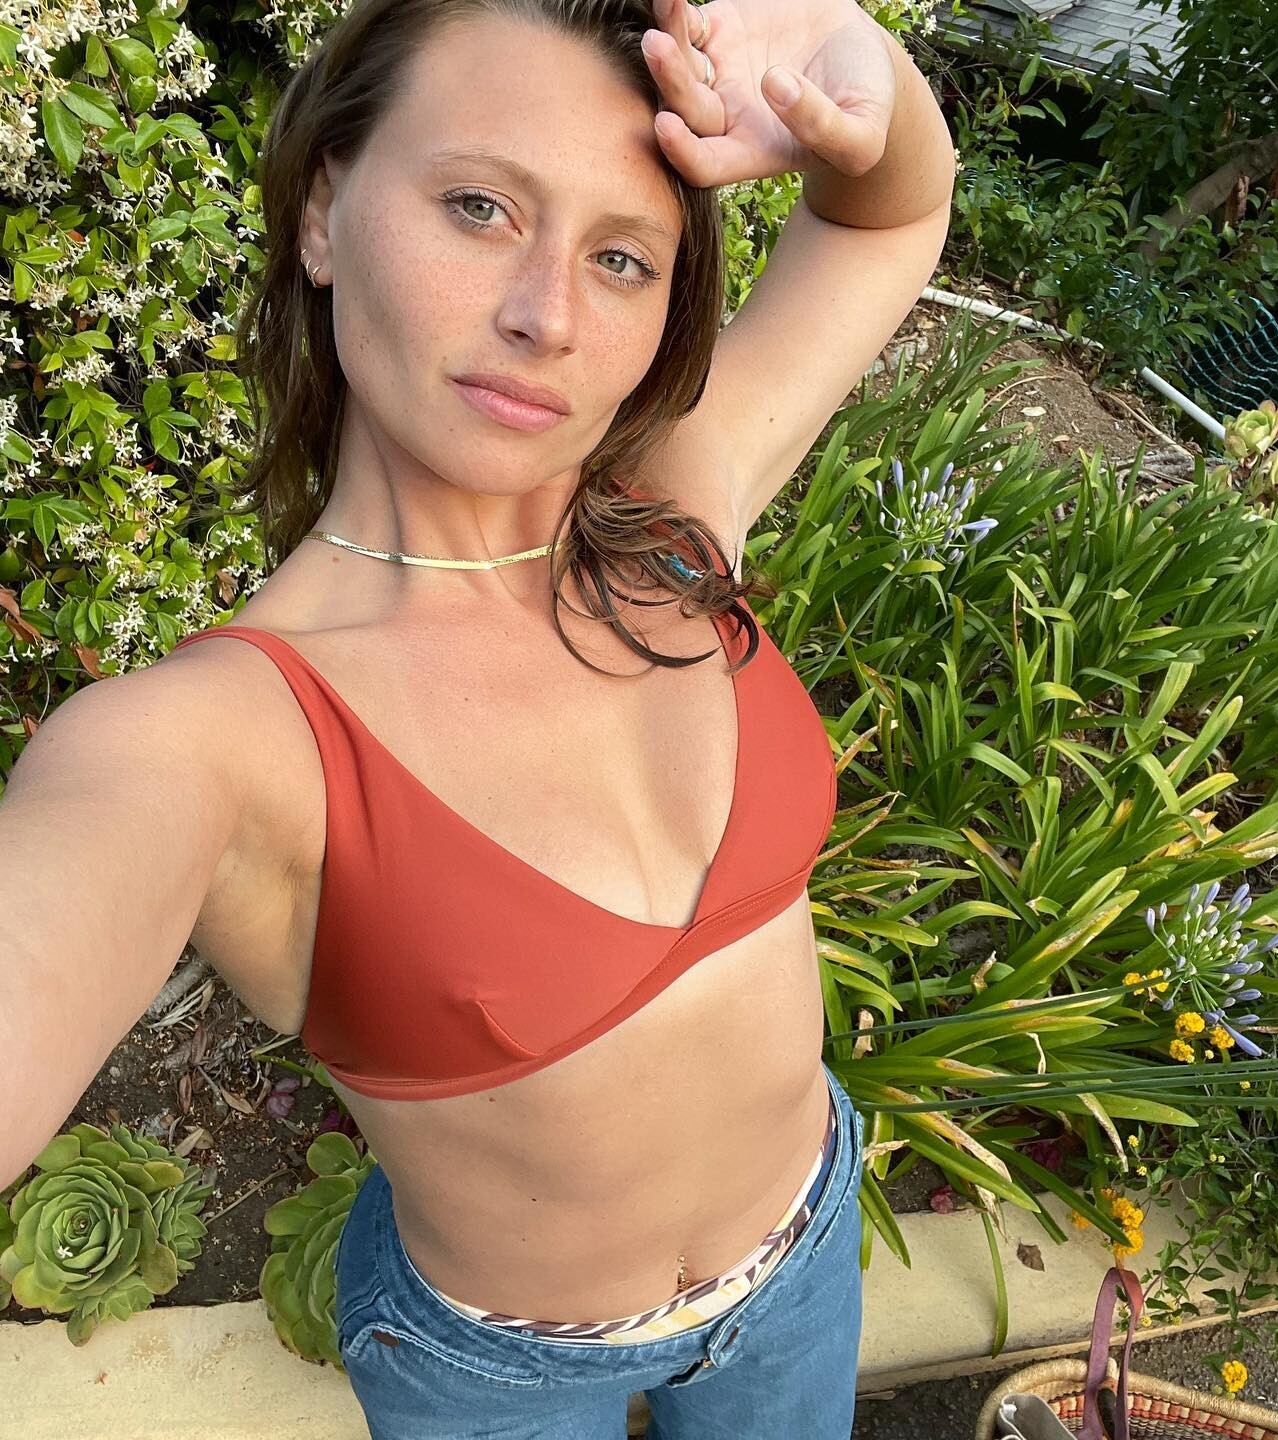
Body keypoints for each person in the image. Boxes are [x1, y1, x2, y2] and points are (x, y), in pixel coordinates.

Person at [0, 0, 954, 1433]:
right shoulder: (208, 745)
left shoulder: (670, 522)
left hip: (804, 1259)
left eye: (620, 258)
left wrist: (851, 51)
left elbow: (888, 218)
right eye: (478, 208)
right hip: (505, 1376)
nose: (545, 317)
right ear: (323, 212)